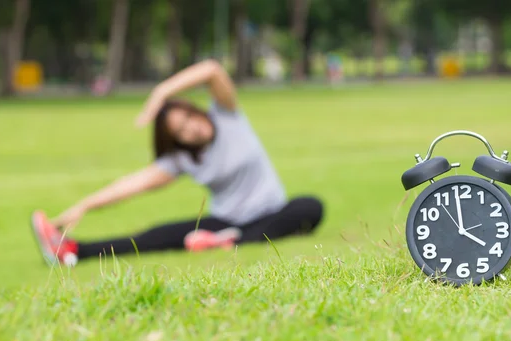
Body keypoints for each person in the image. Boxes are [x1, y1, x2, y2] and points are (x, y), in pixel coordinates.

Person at [30, 59, 324, 267]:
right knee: (154, 237)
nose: (191, 130)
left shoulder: (227, 114)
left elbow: (212, 69)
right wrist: (84, 206)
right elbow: (133, 185)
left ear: (195, 110)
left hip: (273, 212)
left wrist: (160, 93)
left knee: (310, 206)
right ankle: (72, 250)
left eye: (188, 120)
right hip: (225, 221)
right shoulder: (183, 158)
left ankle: (230, 242)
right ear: (177, 141)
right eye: (180, 132)